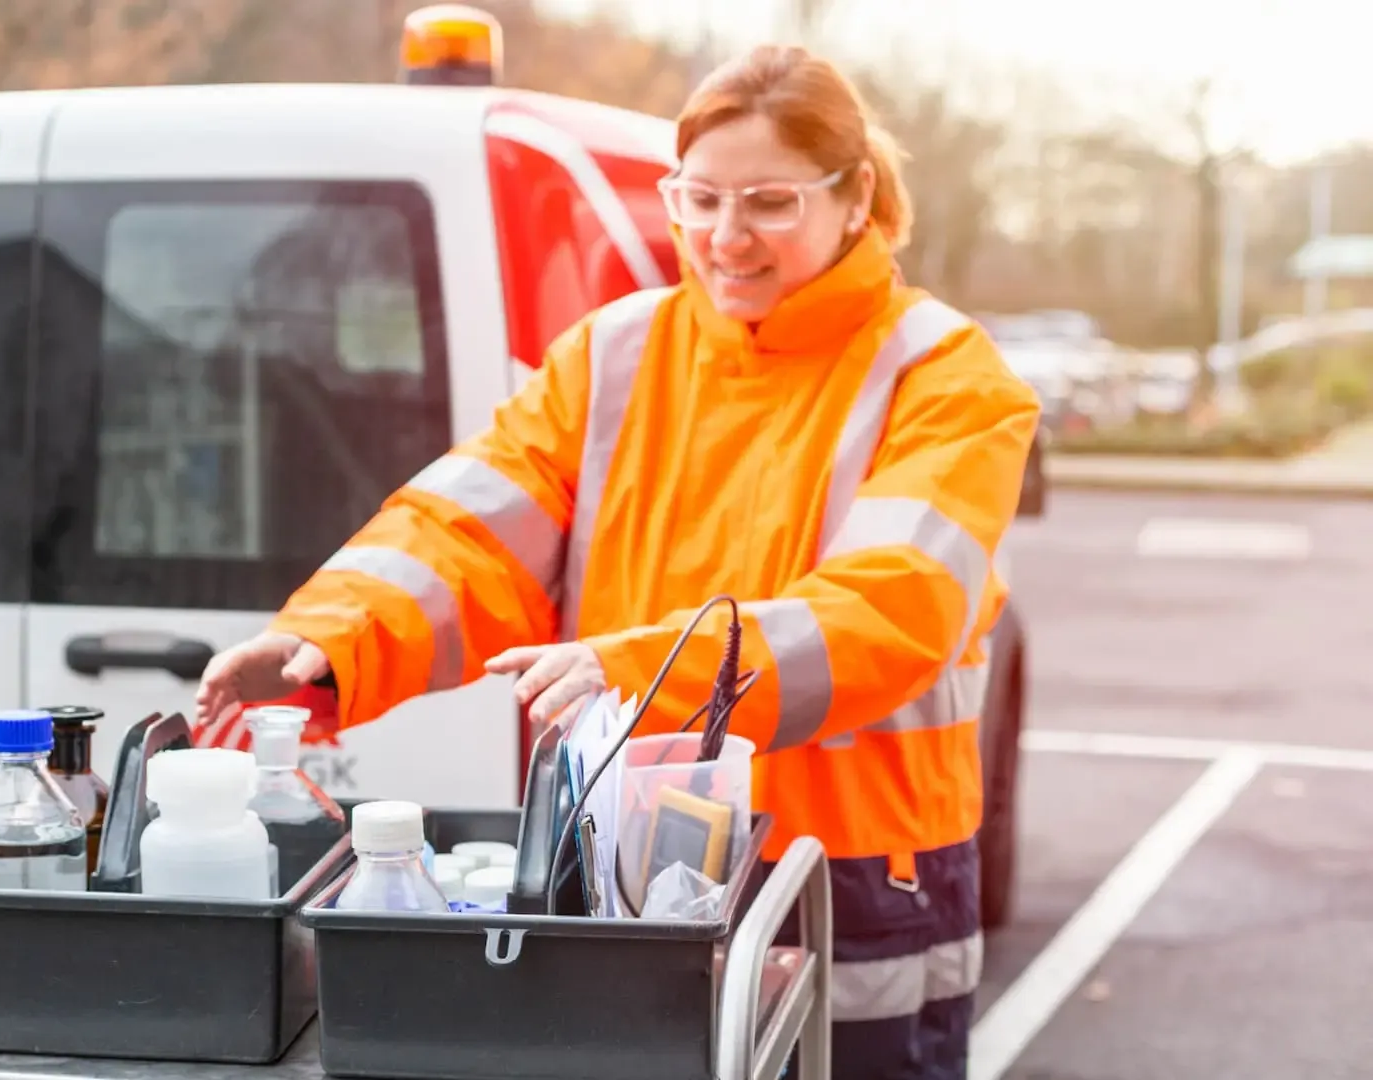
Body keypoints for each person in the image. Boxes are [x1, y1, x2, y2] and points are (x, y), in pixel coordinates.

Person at [197, 43, 1039, 1080]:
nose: (727, 237)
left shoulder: (944, 375)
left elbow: (890, 611)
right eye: (699, 198)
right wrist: (326, 642)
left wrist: (641, 674)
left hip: (848, 881)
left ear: (856, 194)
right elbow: (466, 531)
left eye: (770, 201)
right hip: (634, 863)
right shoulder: (615, 354)